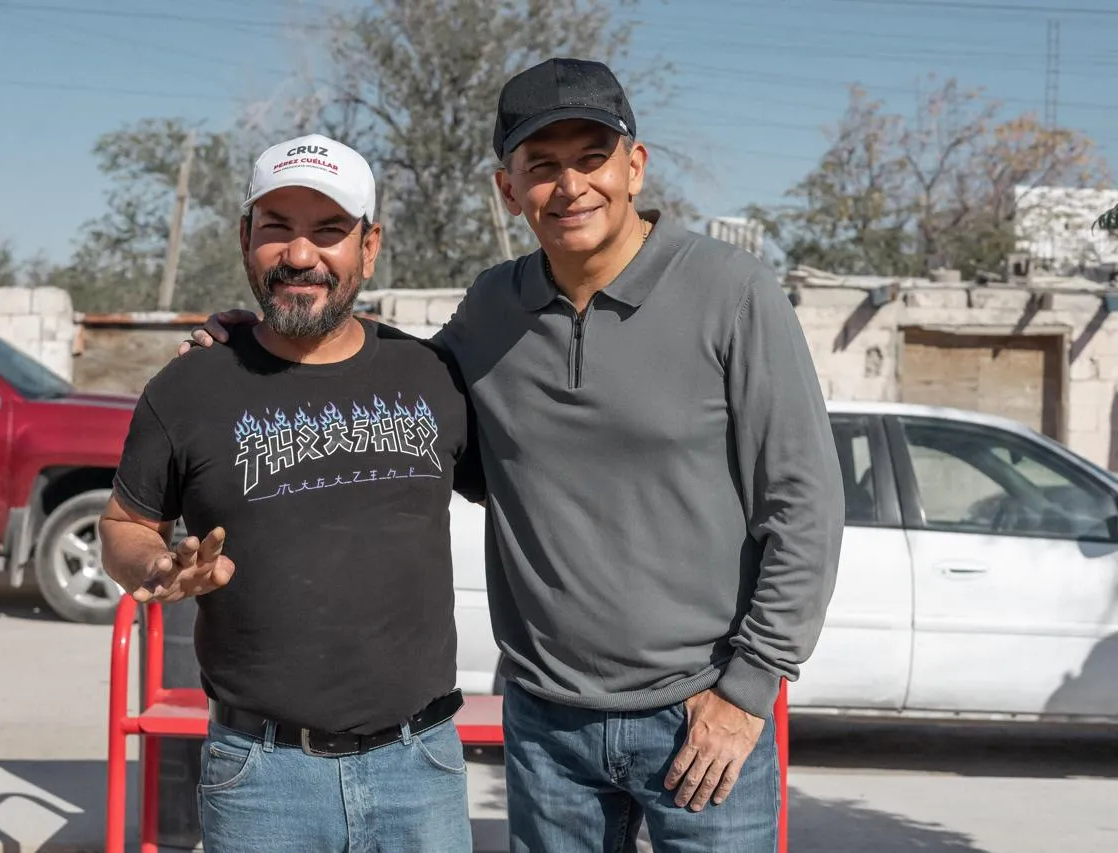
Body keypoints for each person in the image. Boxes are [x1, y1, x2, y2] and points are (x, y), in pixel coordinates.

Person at [183, 57, 845, 853]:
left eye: (591, 157)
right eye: (542, 165)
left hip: (700, 720)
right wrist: (268, 337)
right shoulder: (493, 306)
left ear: (634, 167)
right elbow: (402, 405)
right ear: (508, 189)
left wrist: (746, 691)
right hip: (546, 726)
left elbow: (804, 505)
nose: (569, 186)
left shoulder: (733, 292)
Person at [101, 133, 485, 853]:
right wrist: (155, 567)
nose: (301, 255)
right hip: (260, 778)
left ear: (369, 247)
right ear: (245, 239)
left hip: (420, 770)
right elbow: (123, 522)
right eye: (277, 228)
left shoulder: (430, 377)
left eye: (329, 231)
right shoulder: (187, 386)